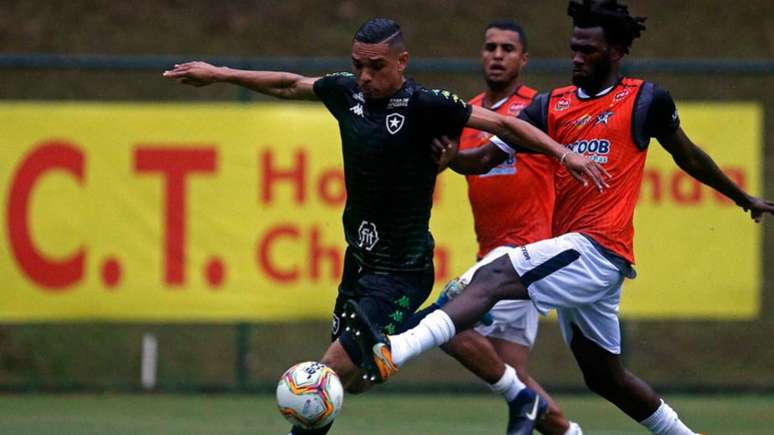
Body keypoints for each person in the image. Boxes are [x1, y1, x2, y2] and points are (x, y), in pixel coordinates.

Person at [345, 2, 774, 435]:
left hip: (600, 247)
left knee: (493, 276)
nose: (576, 58)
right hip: (576, 254)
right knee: (604, 377)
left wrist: (740, 196)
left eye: (588, 50)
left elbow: (689, 156)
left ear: (616, 51)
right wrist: (453, 158)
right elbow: (486, 157)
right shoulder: (552, 106)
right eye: (573, 48)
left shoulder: (645, 100)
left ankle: (395, 349)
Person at [163, 17, 606, 435]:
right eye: (358, 66)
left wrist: (564, 154)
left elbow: (505, 124)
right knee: (351, 384)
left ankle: (424, 323)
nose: (364, 77)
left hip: (402, 270)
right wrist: (218, 73)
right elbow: (289, 83)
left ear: (401, 62)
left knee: (325, 375)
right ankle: (431, 320)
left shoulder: (426, 104)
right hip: (359, 265)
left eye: (376, 67)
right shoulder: (347, 95)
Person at [431, 19, 581, 435]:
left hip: (524, 252)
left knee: (447, 325)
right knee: (514, 375)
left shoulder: (538, 109)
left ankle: (526, 403)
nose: (497, 55)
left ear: (523, 59)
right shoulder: (470, 111)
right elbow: (462, 159)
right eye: (490, 47)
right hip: (493, 256)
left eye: (507, 49)